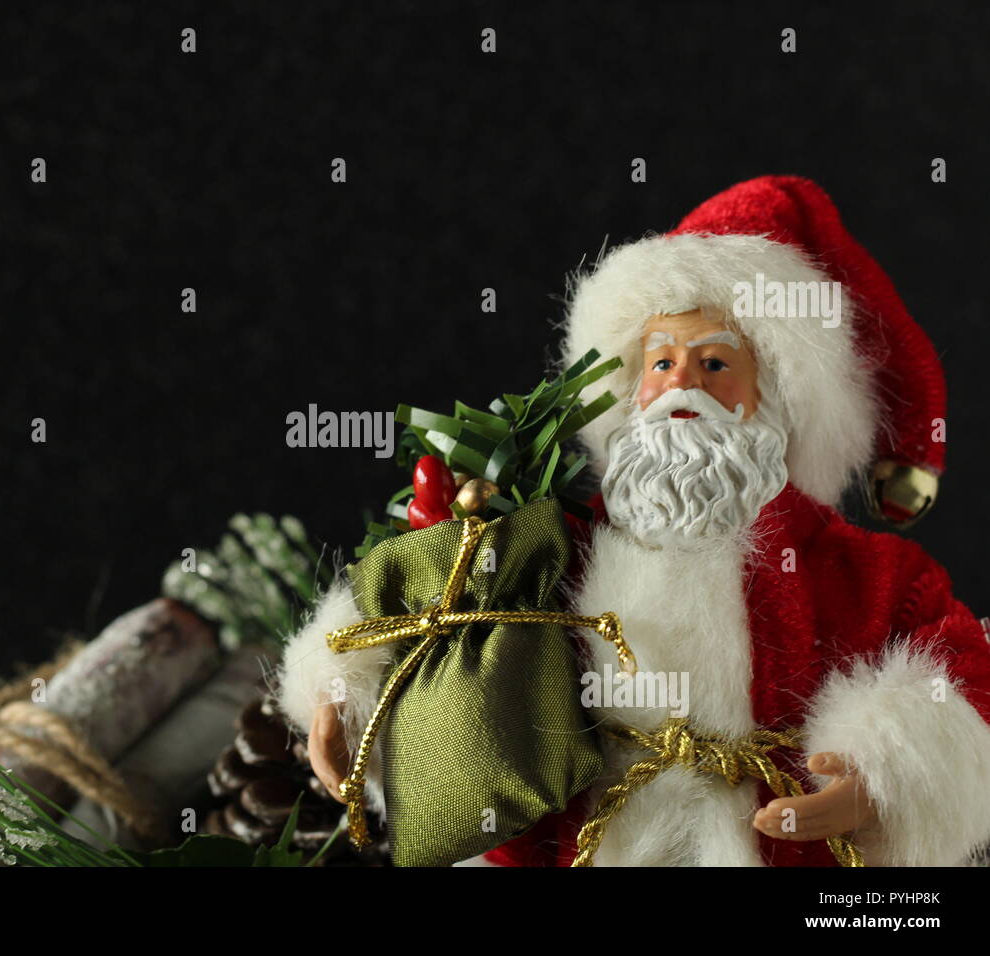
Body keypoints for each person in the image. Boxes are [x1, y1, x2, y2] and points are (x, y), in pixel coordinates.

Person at [273, 176, 990, 866]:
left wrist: (889, 775)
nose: (681, 382)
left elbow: (955, 661)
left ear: (772, 398)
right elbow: (437, 611)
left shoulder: (853, 570)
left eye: (714, 364)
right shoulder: (558, 541)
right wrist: (347, 694)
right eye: (662, 361)